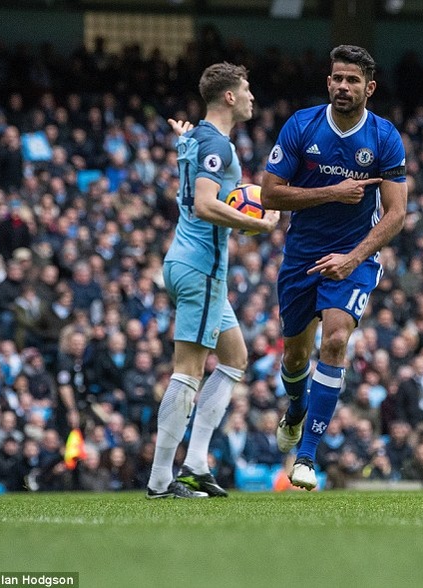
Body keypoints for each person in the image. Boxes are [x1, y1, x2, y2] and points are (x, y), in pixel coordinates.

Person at [261, 45, 407, 490]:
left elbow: (396, 213)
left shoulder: (384, 138)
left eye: (353, 80)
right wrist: (331, 192)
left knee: (338, 337)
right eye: (337, 78)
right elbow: (269, 194)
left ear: (370, 87)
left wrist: (354, 258)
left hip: (353, 253)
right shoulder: (301, 126)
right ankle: (295, 408)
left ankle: (306, 456)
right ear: (328, 82)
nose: (343, 86)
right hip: (302, 255)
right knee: (295, 355)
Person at [146, 62, 280, 499]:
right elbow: (205, 204)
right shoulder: (215, 146)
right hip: (199, 267)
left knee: (235, 358)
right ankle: (161, 481)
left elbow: (192, 159)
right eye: (246, 90)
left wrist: (185, 135)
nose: (251, 97)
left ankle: (197, 463)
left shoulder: (196, 139)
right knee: (187, 373)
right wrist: (253, 224)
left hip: (197, 268)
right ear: (229, 97)